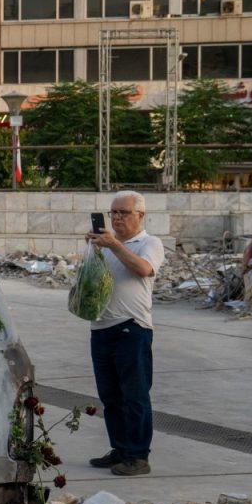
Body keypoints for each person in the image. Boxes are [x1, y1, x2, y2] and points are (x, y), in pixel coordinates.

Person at [86, 190, 165, 477]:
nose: (117, 217)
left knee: (134, 394)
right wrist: (95, 249)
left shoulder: (149, 243)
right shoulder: (105, 245)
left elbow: (143, 269)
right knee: (110, 395)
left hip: (132, 327)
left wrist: (114, 245)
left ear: (140, 215)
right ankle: (120, 449)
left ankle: (138, 455)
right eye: (114, 212)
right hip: (101, 327)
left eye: (124, 212)